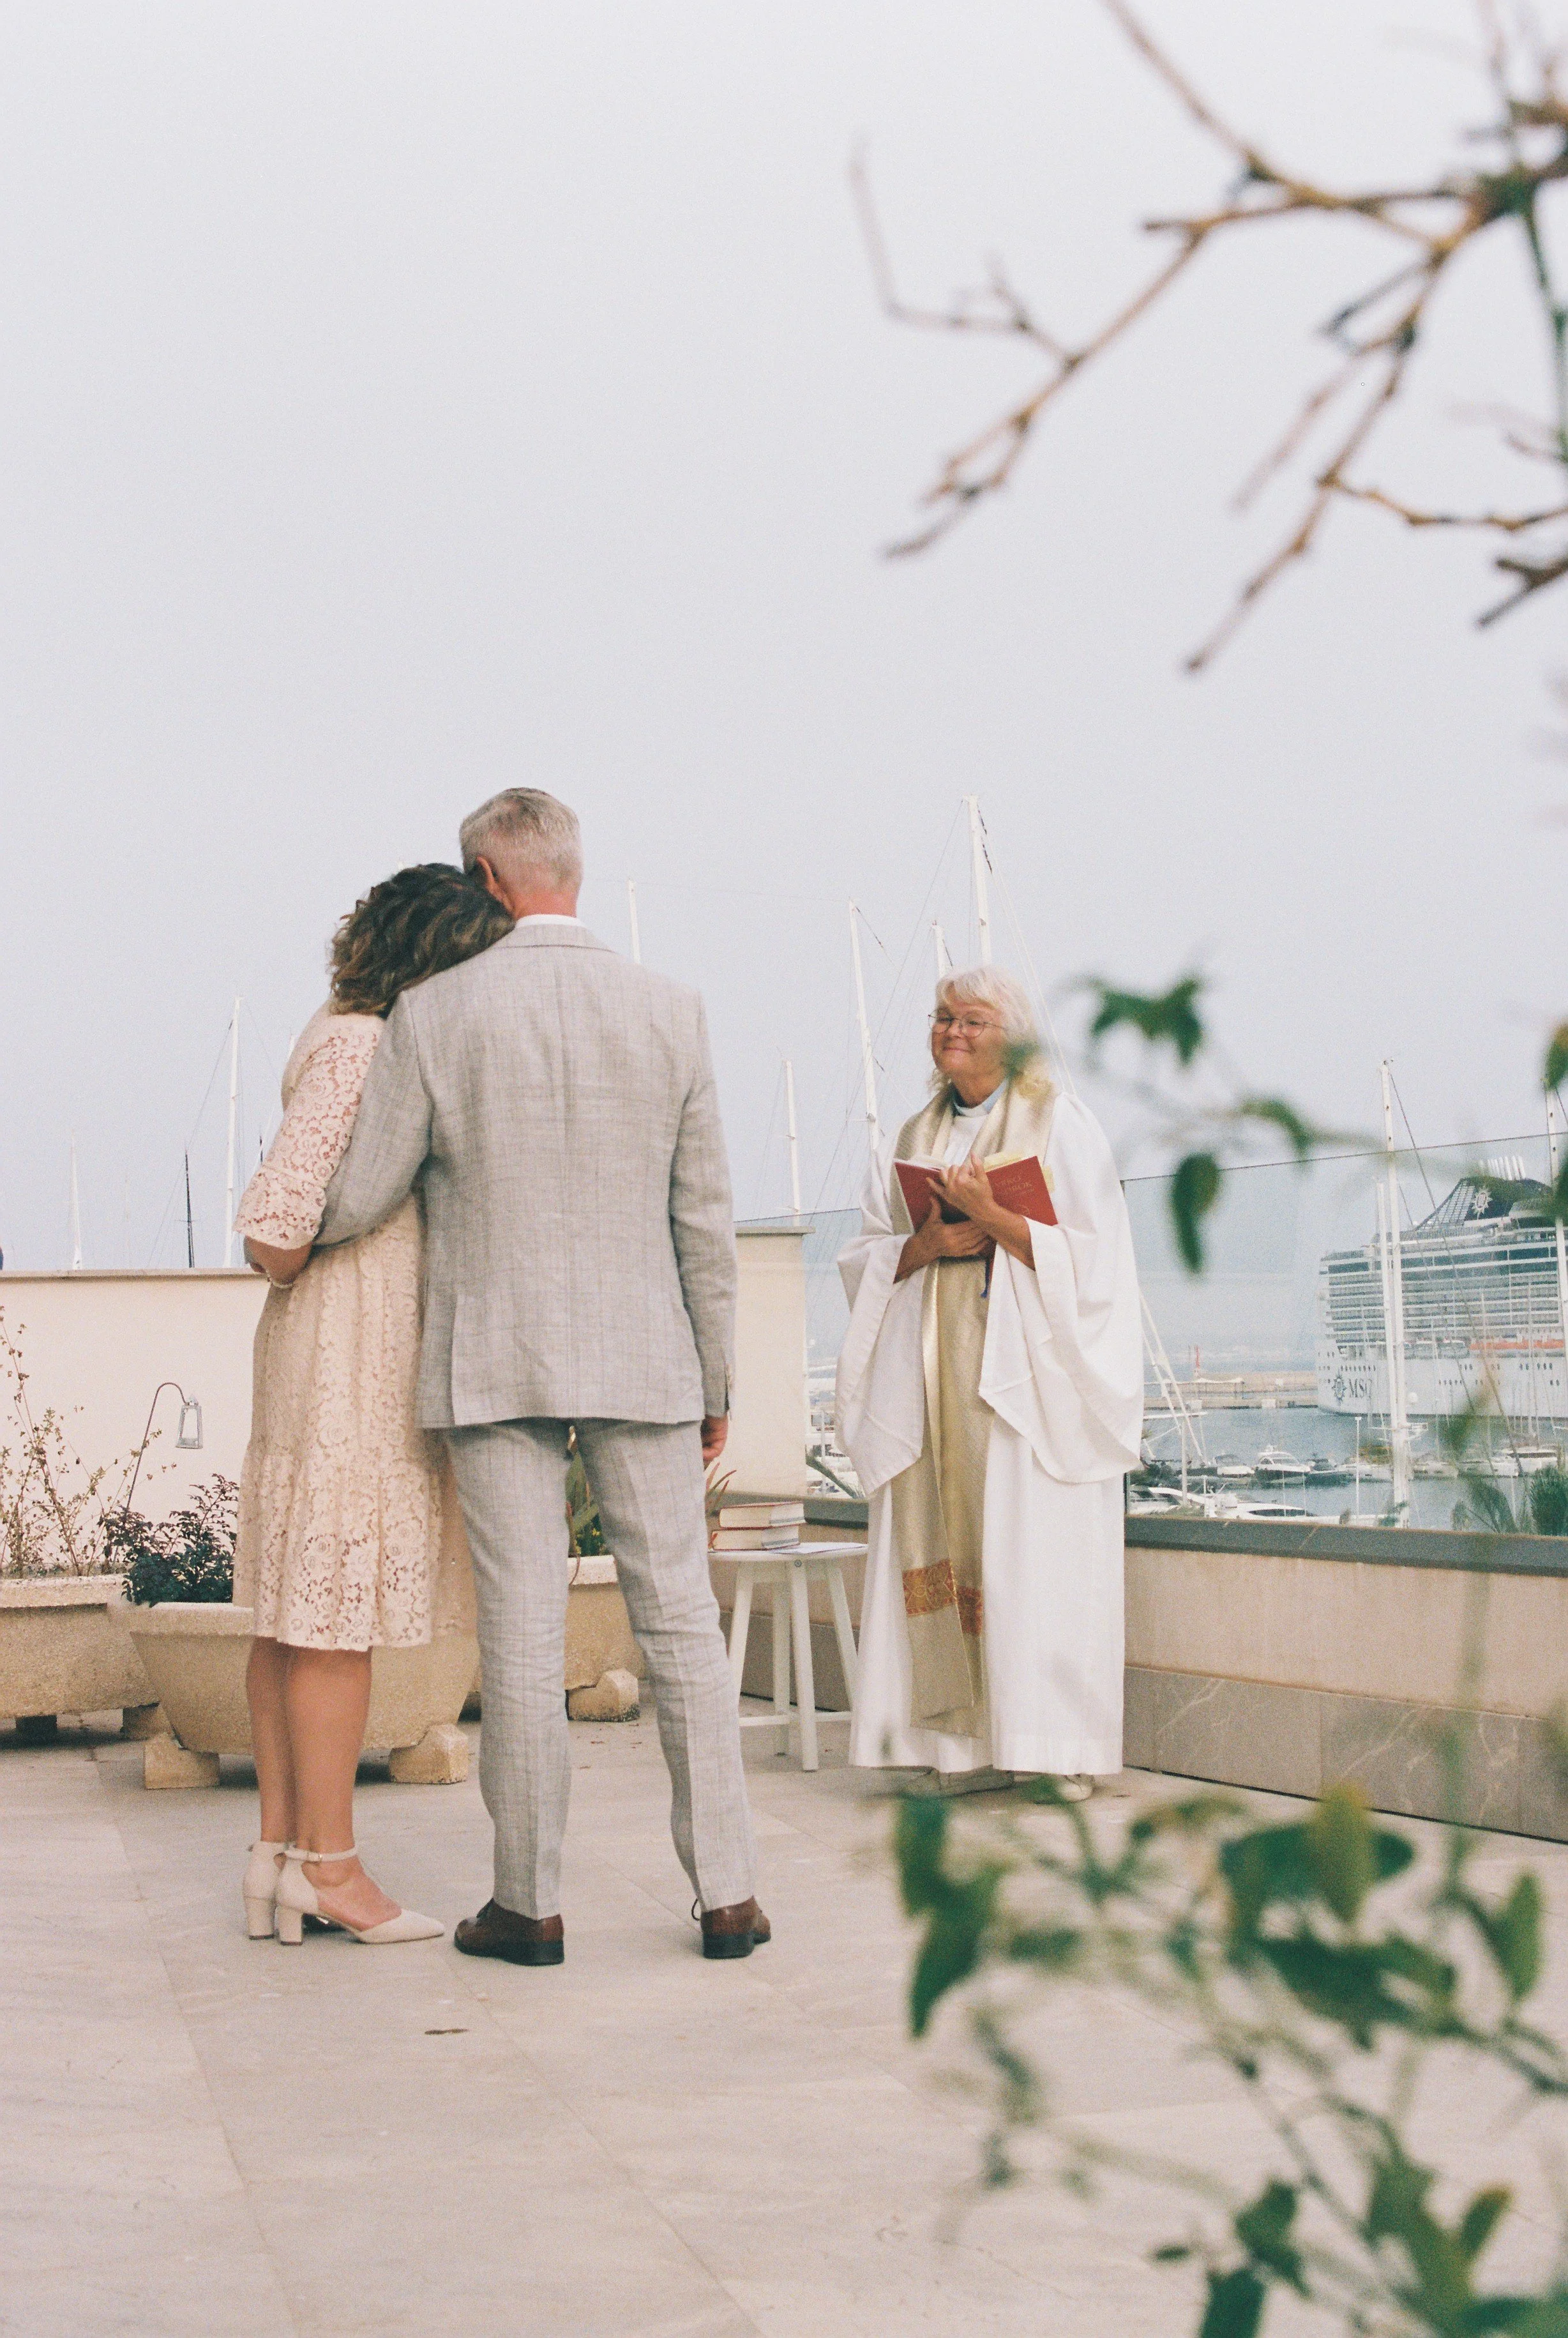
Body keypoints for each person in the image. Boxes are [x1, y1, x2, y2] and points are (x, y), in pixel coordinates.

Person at [314, 788, 766, 1964]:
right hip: (647, 1353)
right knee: (681, 1629)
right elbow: (704, 1221)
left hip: (493, 1356)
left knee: (519, 1635)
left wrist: (286, 1222)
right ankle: (728, 1896)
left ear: (483, 874)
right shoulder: (673, 1010)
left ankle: (529, 1905)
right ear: (571, 867)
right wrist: (717, 1377)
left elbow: (364, 1191)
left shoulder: (432, 1011)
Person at [234, 864, 514, 1946]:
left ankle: (279, 1856)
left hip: (319, 1351)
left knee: (293, 1616)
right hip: (350, 1350)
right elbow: (275, 1228)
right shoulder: (364, 1047)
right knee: (332, 1619)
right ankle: (335, 1872)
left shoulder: (336, 1026)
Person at [836, 966, 1142, 1792]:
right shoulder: (912, 1135)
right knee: (967, 1557)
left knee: (1028, 1562)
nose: (952, 1033)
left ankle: (1055, 1752)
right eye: (942, 1019)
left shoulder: (1059, 1124)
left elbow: (1100, 1256)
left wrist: (997, 1219)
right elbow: (864, 1253)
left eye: (972, 1019)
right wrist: (927, 1245)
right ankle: (958, 1749)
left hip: (1022, 1391)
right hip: (936, 1386)